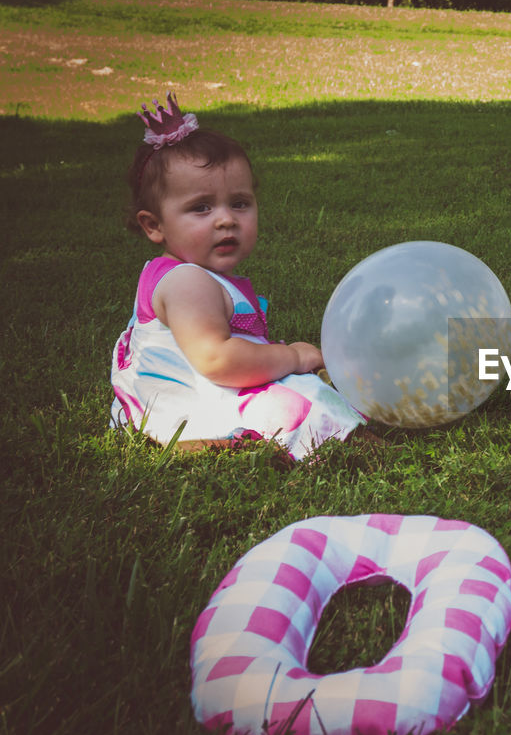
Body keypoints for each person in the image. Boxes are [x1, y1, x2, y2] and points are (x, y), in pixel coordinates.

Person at [110, 92, 365, 460]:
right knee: (304, 397)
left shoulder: (192, 274)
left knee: (302, 382)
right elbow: (218, 361)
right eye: (201, 208)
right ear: (154, 226)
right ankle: (220, 441)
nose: (226, 219)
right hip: (190, 402)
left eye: (240, 203)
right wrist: (291, 357)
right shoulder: (187, 282)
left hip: (186, 392)